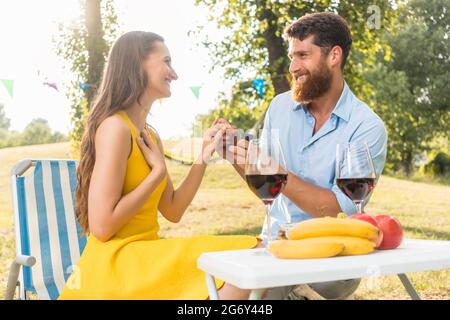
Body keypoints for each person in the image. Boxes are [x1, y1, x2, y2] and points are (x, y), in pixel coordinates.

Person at [58, 31, 259, 300]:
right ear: (137, 64)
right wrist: (157, 175)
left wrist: (203, 155)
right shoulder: (115, 128)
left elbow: (173, 210)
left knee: (253, 255)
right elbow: (102, 227)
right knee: (247, 258)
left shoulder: (149, 135)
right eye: (166, 61)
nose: (174, 74)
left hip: (145, 259)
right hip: (116, 265)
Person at [223, 12, 388, 299]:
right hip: (274, 245)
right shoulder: (279, 108)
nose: (294, 67)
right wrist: (236, 154)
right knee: (222, 291)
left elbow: (341, 211)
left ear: (334, 56)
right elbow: (267, 185)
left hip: (333, 255)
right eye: (291, 56)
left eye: (302, 55)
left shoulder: (367, 126)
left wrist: (278, 172)